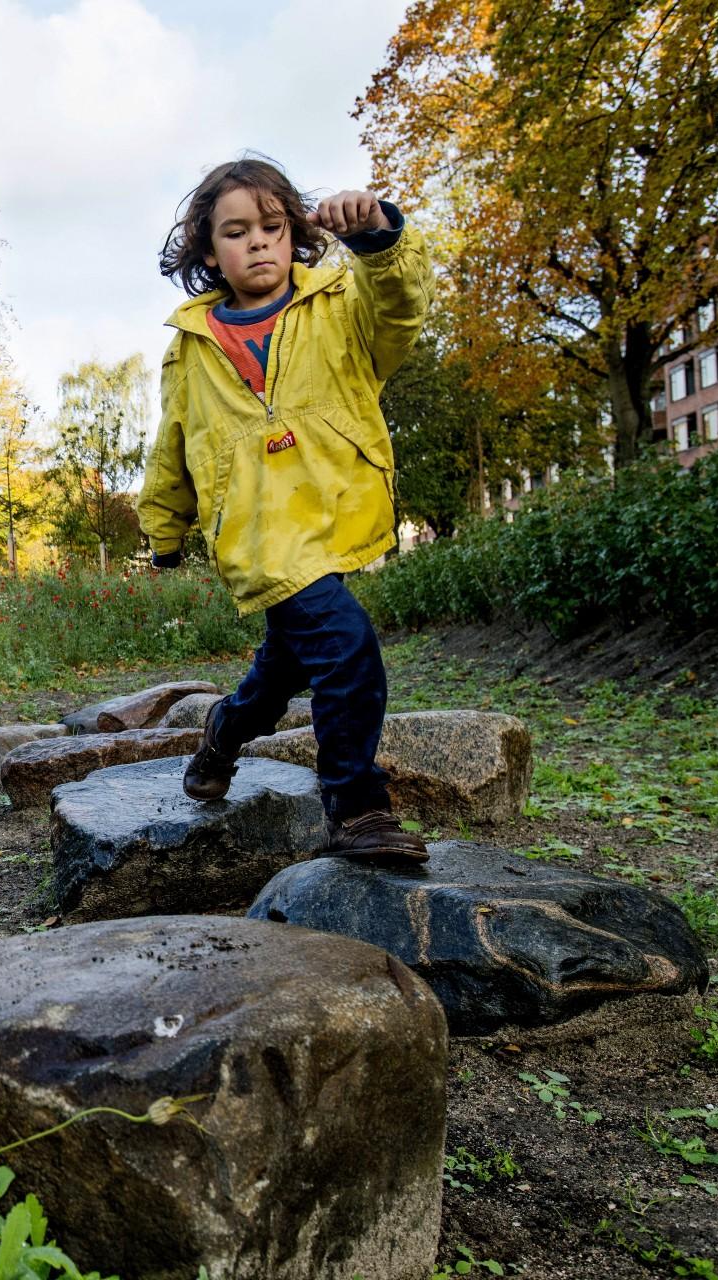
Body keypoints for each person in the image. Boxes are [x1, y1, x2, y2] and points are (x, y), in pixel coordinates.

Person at [137, 155, 431, 860]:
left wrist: (379, 238)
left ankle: (223, 734)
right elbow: (173, 444)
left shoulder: (341, 310)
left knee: (286, 667)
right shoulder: (192, 349)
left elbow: (403, 307)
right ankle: (356, 807)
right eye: (236, 231)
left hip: (331, 514)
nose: (258, 241)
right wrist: (163, 533)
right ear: (210, 251)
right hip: (259, 531)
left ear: (294, 232)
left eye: (272, 226)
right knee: (346, 648)